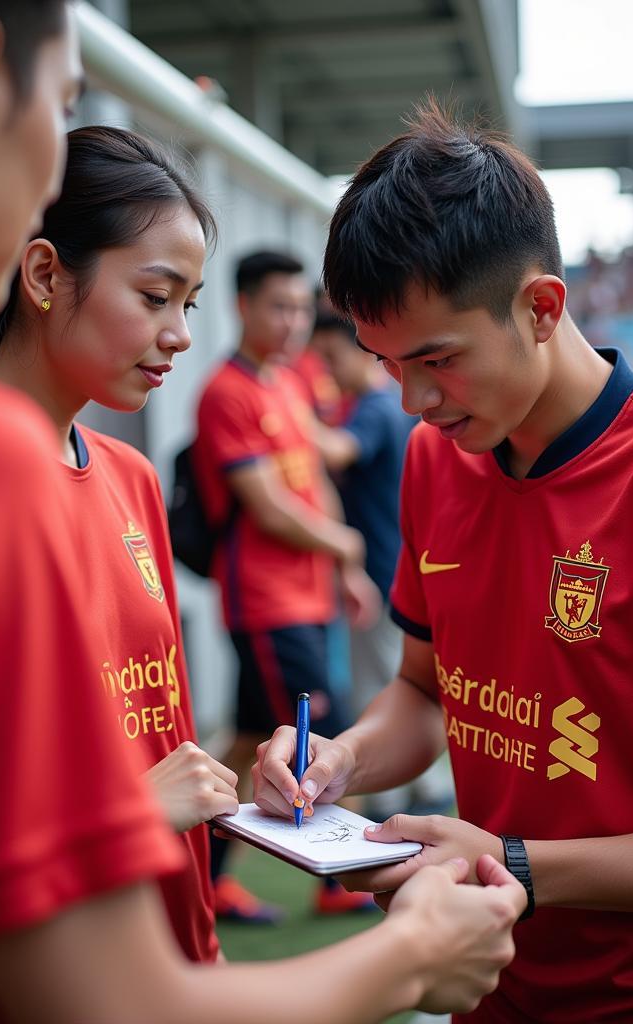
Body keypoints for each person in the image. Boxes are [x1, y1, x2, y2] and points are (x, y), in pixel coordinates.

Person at [0, 7, 526, 1020]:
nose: (181, 333)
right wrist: (413, 957)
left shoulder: (100, 472)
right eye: (65, 105)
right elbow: (101, 994)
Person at [253, 100, 633, 1024]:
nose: (414, 399)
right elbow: (428, 695)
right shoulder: (440, 455)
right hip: (489, 992)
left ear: (541, 307)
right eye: (386, 363)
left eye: (437, 358)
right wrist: (335, 763)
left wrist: (514, 864)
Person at [0, 124, 241, 964]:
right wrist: (133, 813)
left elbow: (161, 725)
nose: (181, 333)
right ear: (45, 273)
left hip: (170, 946)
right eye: (156, 297)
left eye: (188, 304)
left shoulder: (130, 476)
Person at [194, 250, 380, 920]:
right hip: (268, 605)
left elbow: (315, 484)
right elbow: (268, 505)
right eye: (279, 306)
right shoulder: (226, 392)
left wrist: (345, 567)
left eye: (302, 307)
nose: (294, 321)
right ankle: (338, 879)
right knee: (317, 738)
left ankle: (204, 880)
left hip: (307, 598)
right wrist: (348, 543)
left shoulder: (291, 383)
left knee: (247, 743)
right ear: (241, 306)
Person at [311, 312, 453, 819]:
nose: (323, 369)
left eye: (330, 357)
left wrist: (284, 408)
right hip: (392, 567)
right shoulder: (377, 406)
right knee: (404, 681)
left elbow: (339, 450)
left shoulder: (374, 407)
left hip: (381, 572)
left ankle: (390, 803)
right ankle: (422, 791)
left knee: (382, 684)